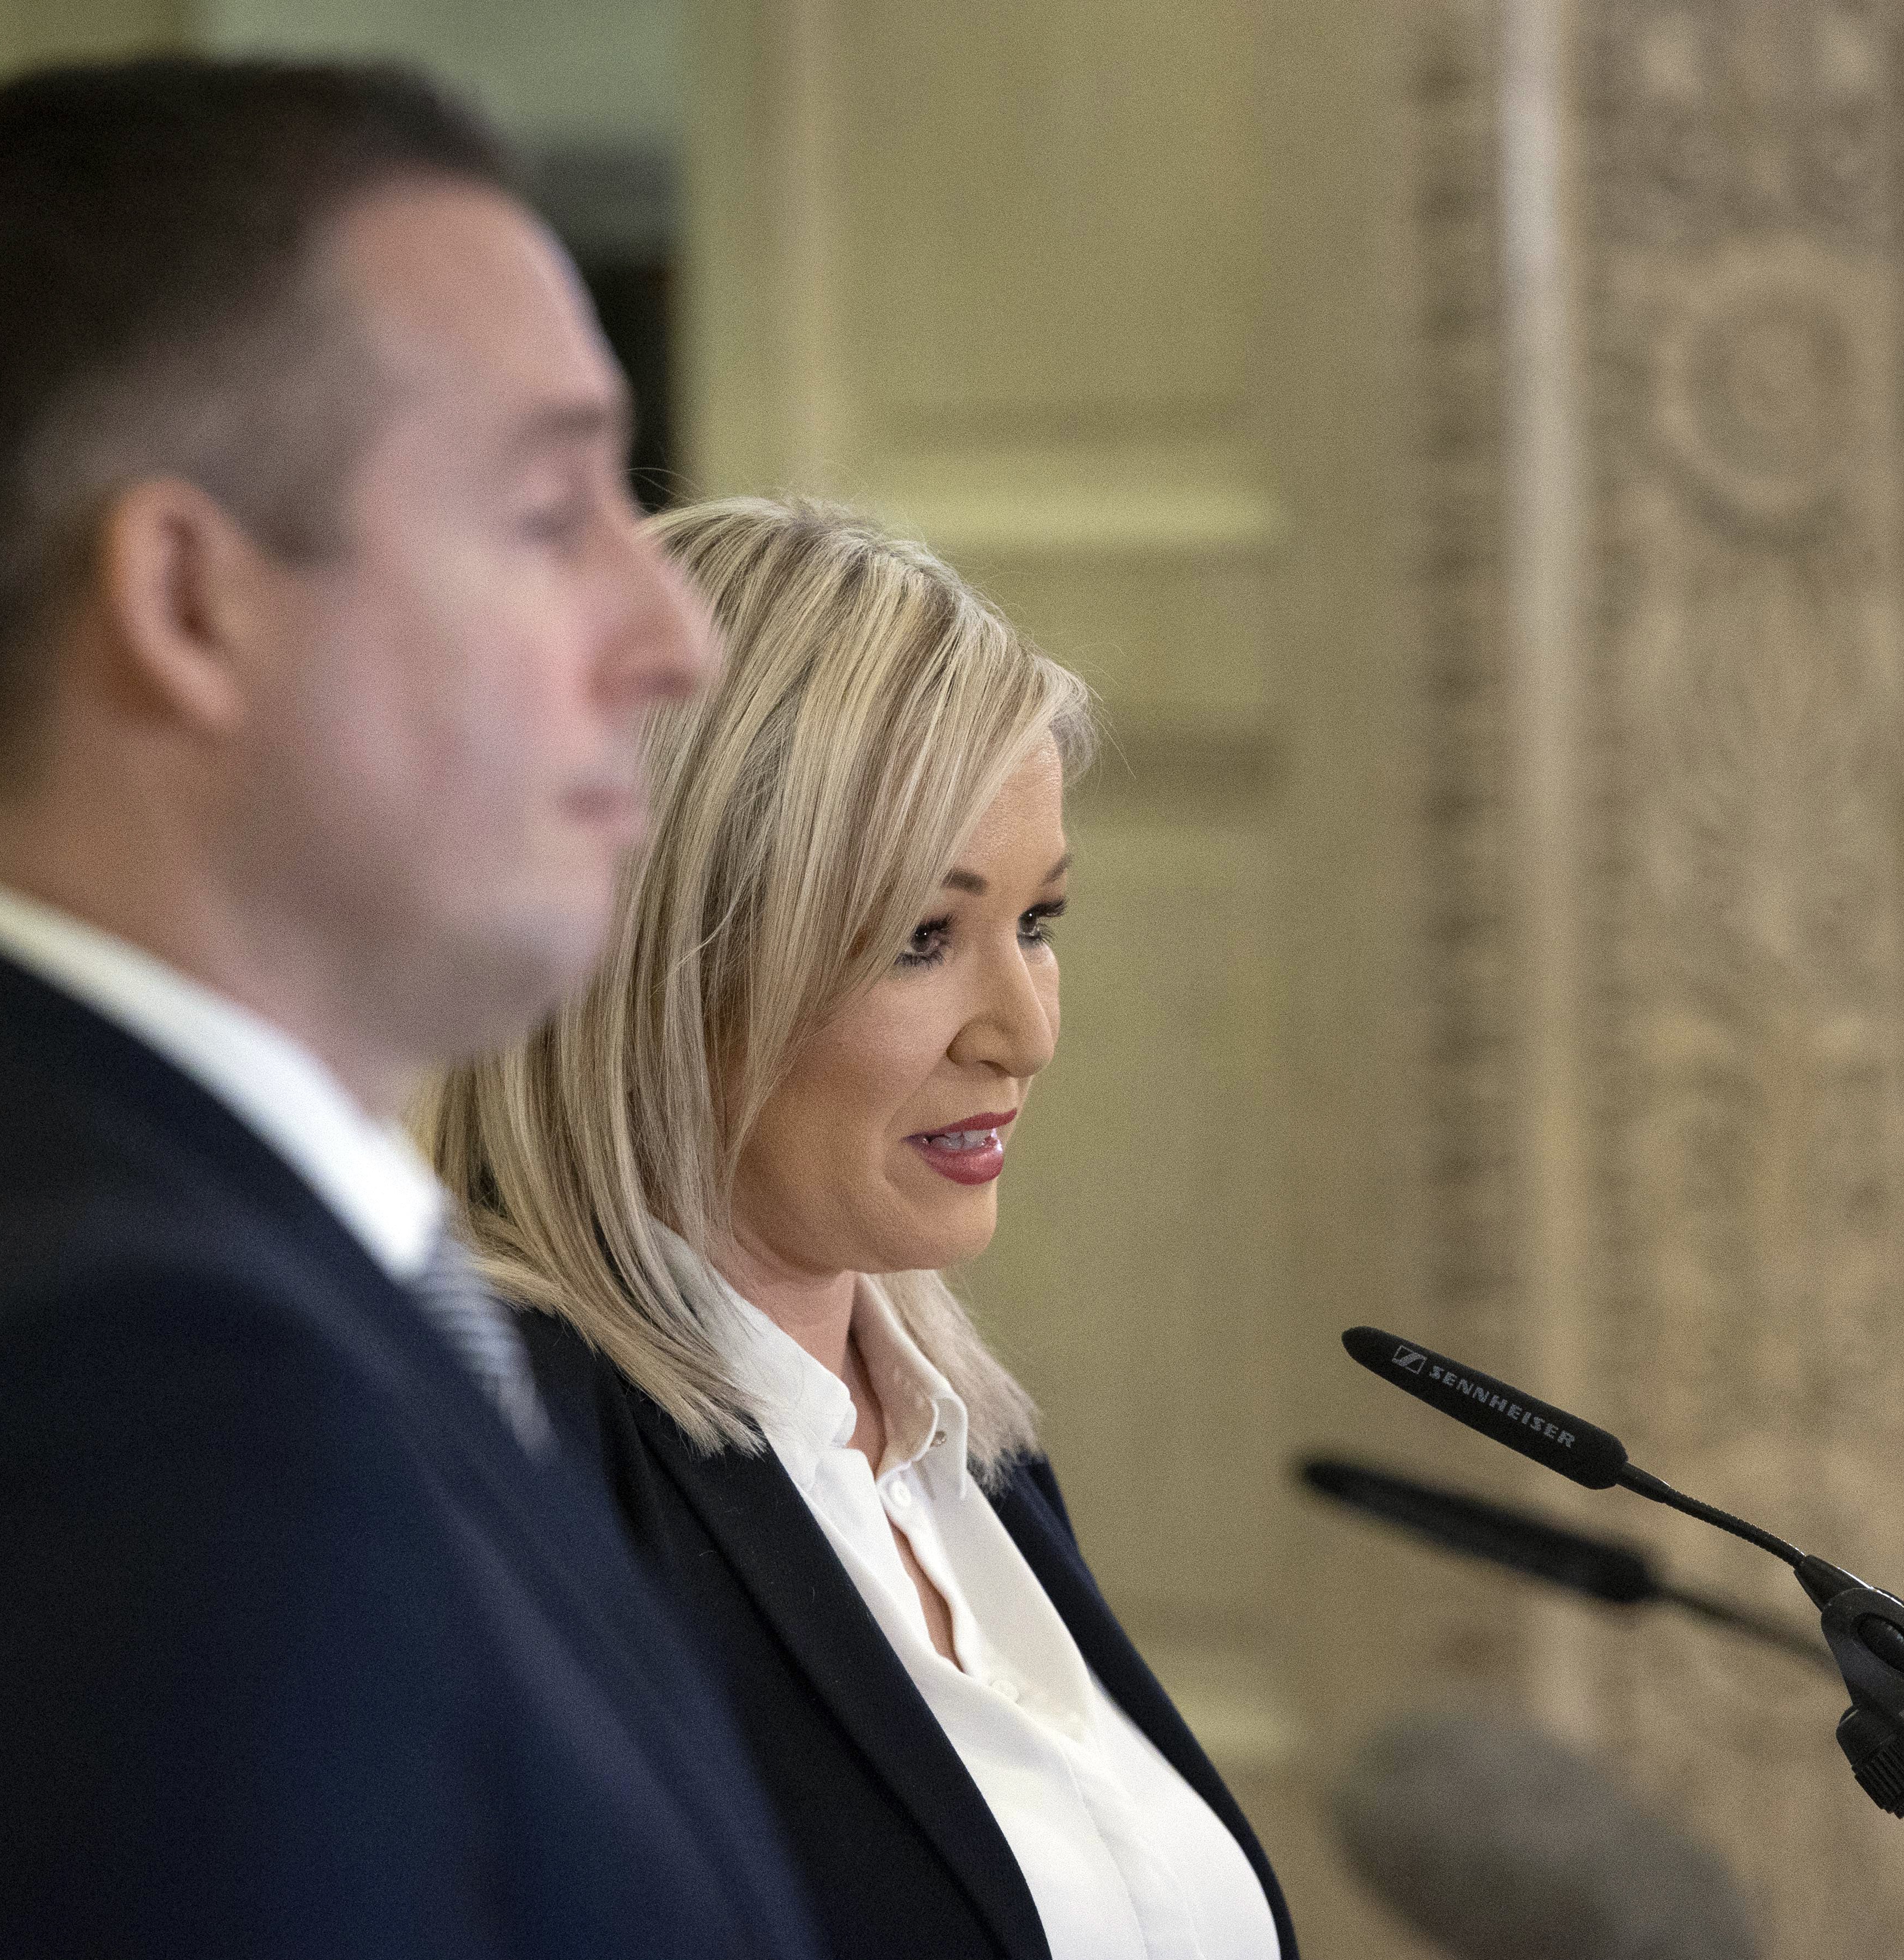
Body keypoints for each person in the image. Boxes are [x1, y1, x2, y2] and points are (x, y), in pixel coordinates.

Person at [0, 58, 824, 1960]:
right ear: (185, 599)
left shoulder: (45, 1218)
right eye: (550, 510)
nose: (673, 639)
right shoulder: (127, 1392)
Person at [430, 496, 1298, 1960]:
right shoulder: (500, 1473)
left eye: (1039, 921)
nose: (1020, 1032)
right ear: (662, 961)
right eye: (920, 937)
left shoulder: (974, 1462)